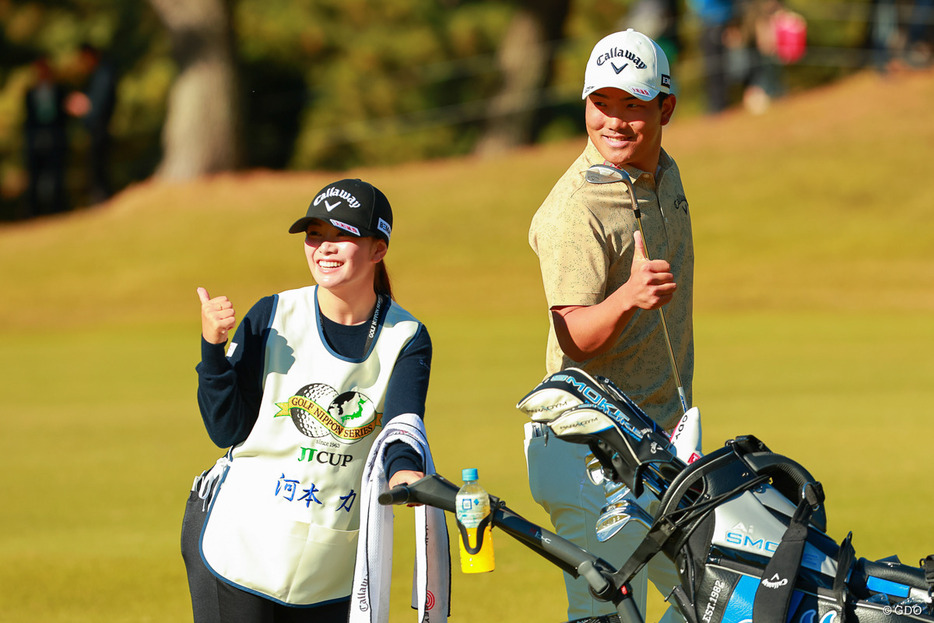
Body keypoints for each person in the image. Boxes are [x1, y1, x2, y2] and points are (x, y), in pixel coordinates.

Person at [181, 178, 433, 623]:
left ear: (378, 249)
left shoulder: (407, 336)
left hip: (331, 563)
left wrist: (405, 474)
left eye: (343, 236)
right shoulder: (272, 314)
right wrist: (211, 348)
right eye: (315, 235)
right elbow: (227, 430)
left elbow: (401, 430)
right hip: (238, 545)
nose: (325, 248)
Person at [526, 29, 693, 623]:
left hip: (659, 446)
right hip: (590, 450)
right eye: (602, 104)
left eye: (633, 105)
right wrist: (628, 296)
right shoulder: (580, 208)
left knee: (708, 601)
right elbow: (574, 337)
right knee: (611, 616)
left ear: (665, 108)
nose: (614, 122)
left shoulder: (661, 173)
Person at [65, 43, 116, 203]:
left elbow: (99, 104)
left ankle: (101, 199)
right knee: (96, 167)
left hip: (100, 128)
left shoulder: (104, 73)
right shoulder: (98, 74)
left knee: (99, 167)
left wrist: (84, 105)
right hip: (95, 129)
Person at [23, 55, 69, 217]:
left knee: (56, 173)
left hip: (55, 135)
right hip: (36, 137)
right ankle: (34, 211)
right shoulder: (30, 93)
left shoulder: (59, 90)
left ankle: (58, 209)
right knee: (35, 176)